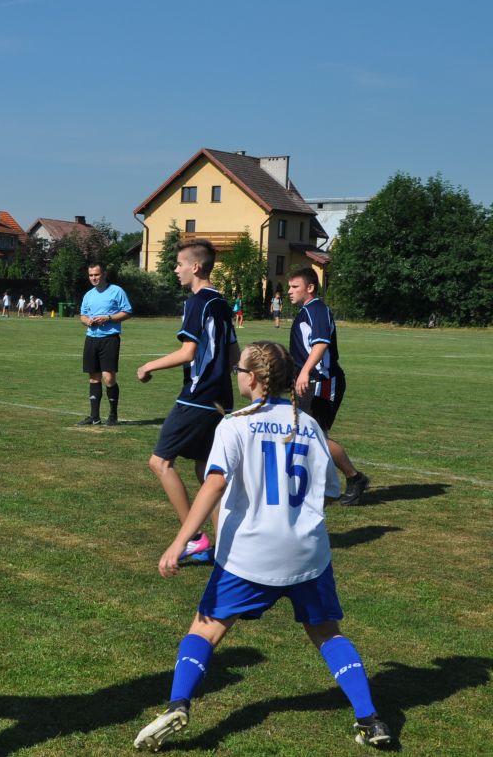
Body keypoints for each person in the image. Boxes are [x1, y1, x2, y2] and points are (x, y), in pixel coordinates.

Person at [133, 341, 392, 752]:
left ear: (252, 378)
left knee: (205, 628)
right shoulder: (310, 426)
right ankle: (370, 719)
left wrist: (180, 541)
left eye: (239, 369)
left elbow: (214, 484)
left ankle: (178, 704)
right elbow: (329, 492)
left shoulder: (234, 424)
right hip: (308, 552)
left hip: (249, 553)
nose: (236, 374)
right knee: (327, 633)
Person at [137, 239, 238, 565]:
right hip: (221, 400)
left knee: (160, 462)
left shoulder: (197, 302)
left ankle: (194, 539)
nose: (175, 269)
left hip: (197, 399)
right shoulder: (221, 303)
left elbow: (188, 352)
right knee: (206, 472)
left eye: (179, 264)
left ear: (195, 267)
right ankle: (225, 548)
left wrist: (149, 366)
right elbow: (234, 355)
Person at [287, 267, 369, 505]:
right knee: (308, 434)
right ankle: (324, 487)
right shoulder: (306, 311)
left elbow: (321, 344)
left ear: (310, 288)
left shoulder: (317, 310)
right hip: (310, 380)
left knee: (315, 435)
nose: (290, 291)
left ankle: (354, 478)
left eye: (295, 287)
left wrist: (304, 372)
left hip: (322, 381)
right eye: (289, 287)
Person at [77, 262, 133, 426]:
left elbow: (127, 312)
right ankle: (94, 417)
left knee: (108, 378)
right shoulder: (88, 295)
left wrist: (108, 318)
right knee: (93, 378)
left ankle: (113, 415)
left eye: (97, 274)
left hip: (109, 338)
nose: (93, 278)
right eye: (91, 275)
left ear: (104, 274)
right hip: (91, 338)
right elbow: (82, 315)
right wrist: (87, 321)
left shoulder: (116, 291)